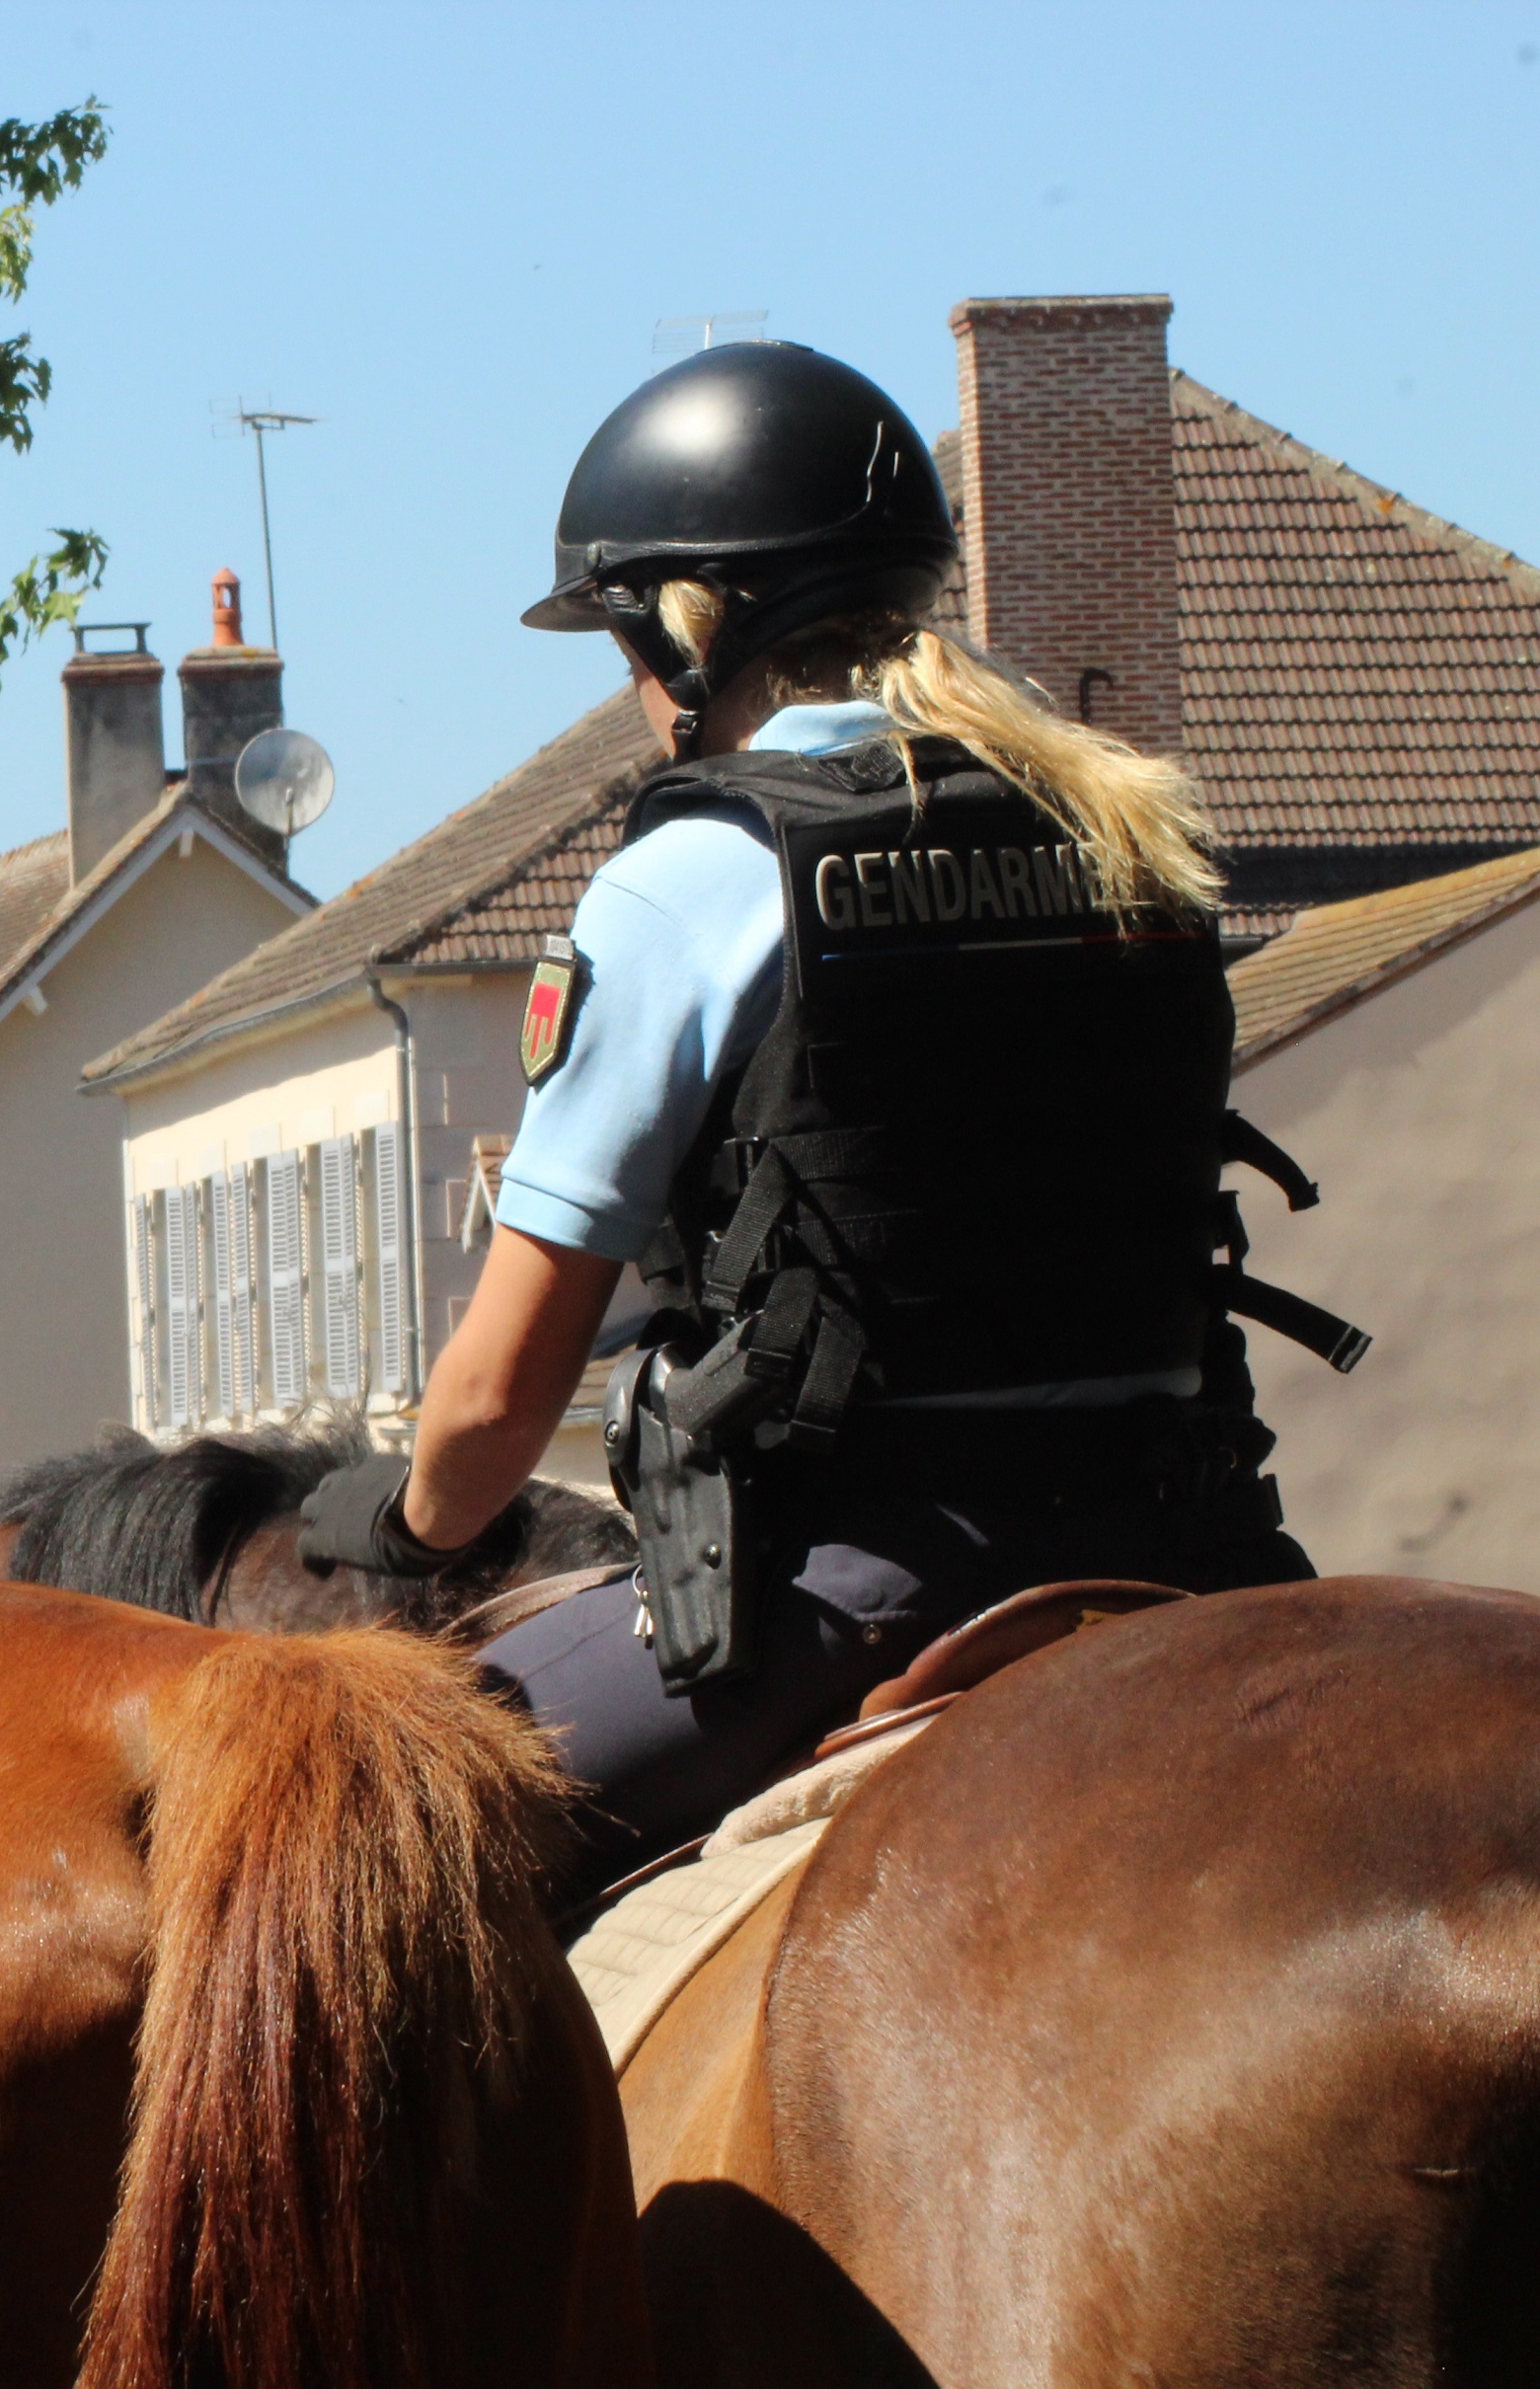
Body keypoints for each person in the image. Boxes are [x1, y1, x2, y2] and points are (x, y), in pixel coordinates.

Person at [297, 341, 1358, 1903]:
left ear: (686, 626)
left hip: (866, 1581)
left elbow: (496, 1404)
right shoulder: (1134, 839)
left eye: (623, 645)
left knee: (353, 1841)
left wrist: (404, 1524)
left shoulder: (691, 882)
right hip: (1197, 1544)